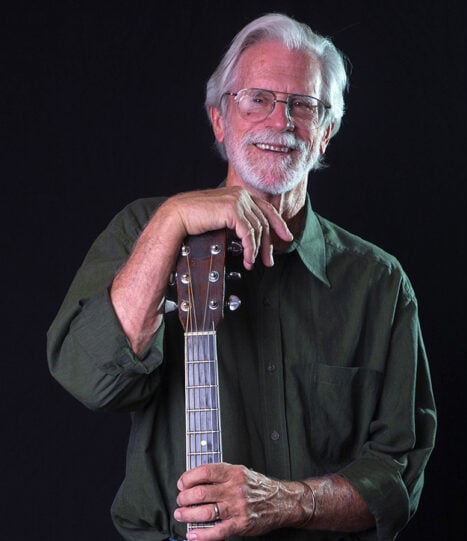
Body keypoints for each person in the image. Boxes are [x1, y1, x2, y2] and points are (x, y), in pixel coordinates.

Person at [47, 13, 436, 541]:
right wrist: (173, 221)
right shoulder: (145, 231)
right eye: (257, 99)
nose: (280, 122)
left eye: (304, 105)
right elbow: (88, 378)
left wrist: (284, 502)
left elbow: (396, 478)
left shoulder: (378, 283)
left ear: (325, 133)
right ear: (218, 119)